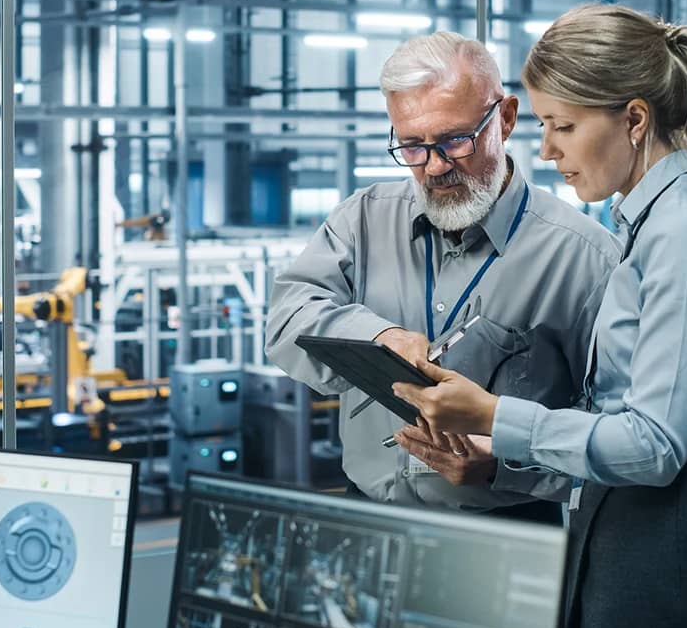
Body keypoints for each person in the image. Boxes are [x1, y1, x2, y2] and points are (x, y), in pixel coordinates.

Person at [390, 5, 687, 628]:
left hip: (668, 555)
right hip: (622, 537)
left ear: (633, 119)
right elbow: (617, 425)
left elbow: (655, 447)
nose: (546, 150)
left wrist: (493, 413)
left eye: (563, 125)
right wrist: (497, 456)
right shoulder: (652, 226)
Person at [265, 30, 620, 517]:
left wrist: (505, 465)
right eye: (411, 146)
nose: (433, 166)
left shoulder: (586, 259)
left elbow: (616, 434)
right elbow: (288, 317)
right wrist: (378, 337)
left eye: (455, 141)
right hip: (369, 515)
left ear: (507, 119)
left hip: (508, 528)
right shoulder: (362, 220)